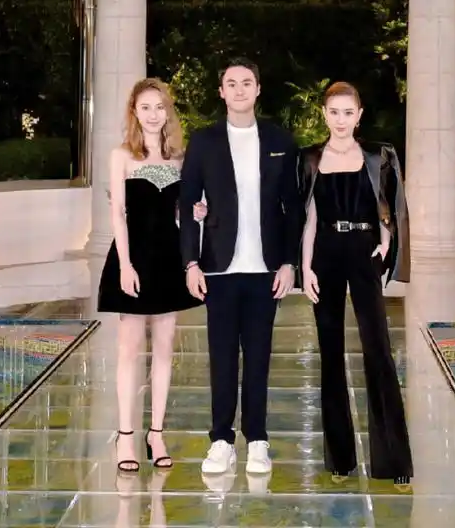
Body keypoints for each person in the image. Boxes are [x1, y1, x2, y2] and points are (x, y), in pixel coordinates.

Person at [179, 57, 303, 475]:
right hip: (218, 267)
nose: (239, 89)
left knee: (259, 355)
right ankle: (220, 440)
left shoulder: (280, 140)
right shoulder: (204, 141)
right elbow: (187, 204)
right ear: (221, 92)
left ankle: (258, 440)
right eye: (231, 83)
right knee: (221, 357)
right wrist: (190, 263)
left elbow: (293, 208)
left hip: (265, 269)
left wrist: (289, 263)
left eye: (246, 82)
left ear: (258, 89)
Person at [298, 81, 413, 485]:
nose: (341, 120)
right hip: (325, 253)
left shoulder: (379, 155)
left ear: (359, 115)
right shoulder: (311, 158)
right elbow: (309, 217)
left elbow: (391, 204)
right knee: (330, 353)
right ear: (324, 114)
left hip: (364, 252)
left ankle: (394, 462)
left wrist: (386, 243)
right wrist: (306, 267)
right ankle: (340, 460)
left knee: (378, 349)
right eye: (334, 112)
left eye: (348, 112)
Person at [97, 78, 206, 474]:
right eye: (145, 107)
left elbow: (181, 212)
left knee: (164, 349)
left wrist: (197, 213)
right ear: (134, 112)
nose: (153, 114)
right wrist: (125, 265)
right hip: (135, 258)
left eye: (159, 107)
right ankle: (126, 436)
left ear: (167, 111)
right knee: (129, 349)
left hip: (169, 259)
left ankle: (156, 433)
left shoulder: (180, 159)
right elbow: (118, 214)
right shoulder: (121, 155)